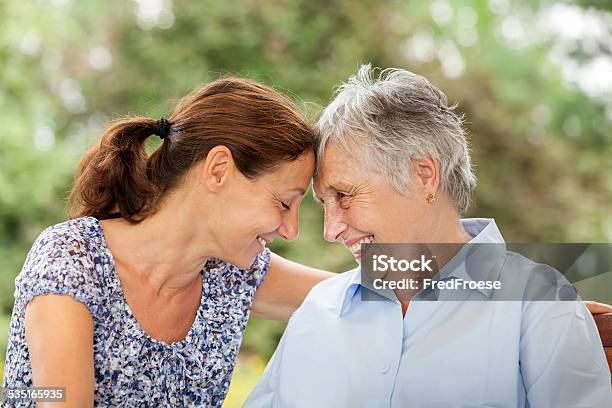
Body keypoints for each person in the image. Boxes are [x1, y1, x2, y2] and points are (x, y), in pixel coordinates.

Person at [245, 65, 612, 407]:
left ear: (424, 175)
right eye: (324, 203)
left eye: (344, 195)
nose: (331, 230)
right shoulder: (318, 309)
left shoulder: (538, 305)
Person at [1, 77, 334, 407]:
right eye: (284, 203)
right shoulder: (72, 259)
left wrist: (379, 221)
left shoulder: (230, 274)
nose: (291, 230)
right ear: (218, 170)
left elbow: (364, 287)